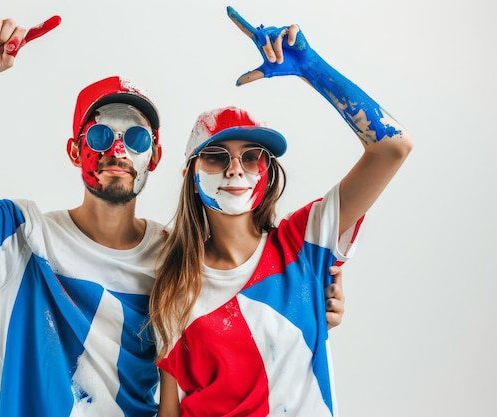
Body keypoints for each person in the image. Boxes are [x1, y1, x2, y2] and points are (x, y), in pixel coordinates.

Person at [0, 14, 347, 417]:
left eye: (134, 137)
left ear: (154, 156)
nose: (117, 151)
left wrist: (317, 300)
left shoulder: (179, 259)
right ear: (76, 151)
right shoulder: (22, 235)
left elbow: (249, 307)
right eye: (99, 134)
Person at [149, 7, 413, 417]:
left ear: (268, 172)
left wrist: (311, 69)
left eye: (252, 156)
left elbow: (392, 147)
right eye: (217, 156)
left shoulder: (305, 241)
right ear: (191, 175)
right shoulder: (174, 286)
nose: (236, 168)